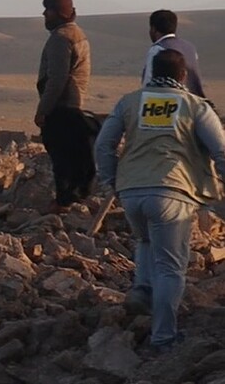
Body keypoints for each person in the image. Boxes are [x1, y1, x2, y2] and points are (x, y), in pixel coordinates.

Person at [94, 48, 225, 355]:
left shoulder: (130, 102)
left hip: (131, 192)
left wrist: (112, 181)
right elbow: (220, 150)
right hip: (172, 191)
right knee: (170, 268)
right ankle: (163, 338)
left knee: (145, 240)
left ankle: (142, 287)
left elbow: (104, 145)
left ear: (152, 72)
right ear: (184, 76)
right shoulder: (195, 106)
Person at [35, 0, 95, 211]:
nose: (44, 15)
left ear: (58, 13)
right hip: (72, 103)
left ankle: (64, 201)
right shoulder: (78, 34)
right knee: (75, 152)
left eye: (48, 11)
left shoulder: (61, 38)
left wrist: (44, 109)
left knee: (62, 155)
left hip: (62, 105)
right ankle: (74, 196)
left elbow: (57, 78)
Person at [144, 10, 206, 98]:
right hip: (193, 101)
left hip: (168, 103)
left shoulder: (158, 49)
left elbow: (148, 82)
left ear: (153, 29)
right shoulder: (189, 47)